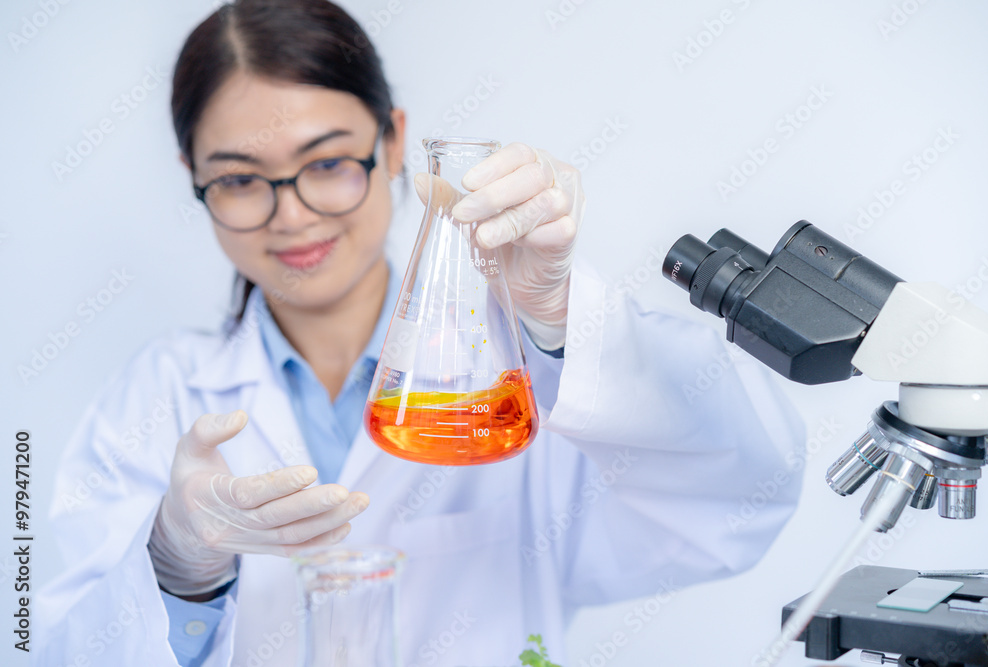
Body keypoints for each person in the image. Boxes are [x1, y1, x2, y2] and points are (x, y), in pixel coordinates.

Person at [37, 1, 805, 665]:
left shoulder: (520, 379)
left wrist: (560, 316)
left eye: (329, 162)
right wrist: (176, 565)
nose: (293, 212)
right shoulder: (155, 400)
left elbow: (743, 498)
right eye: (239, 178)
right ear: (193, 177)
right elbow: (46, 642)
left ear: (394, 141)